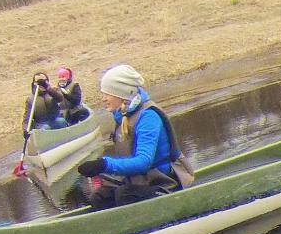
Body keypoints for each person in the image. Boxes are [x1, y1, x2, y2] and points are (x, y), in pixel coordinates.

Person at [76, 64, 195, 210]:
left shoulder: (148, 117)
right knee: (99, 197)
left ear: (123, 95)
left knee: (125, 195)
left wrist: (105, 164)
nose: (103, 99)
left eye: (108, 94)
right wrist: (99, 170)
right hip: (139, 182)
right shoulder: (122, 117)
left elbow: (144, 161)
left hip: (164, 183)